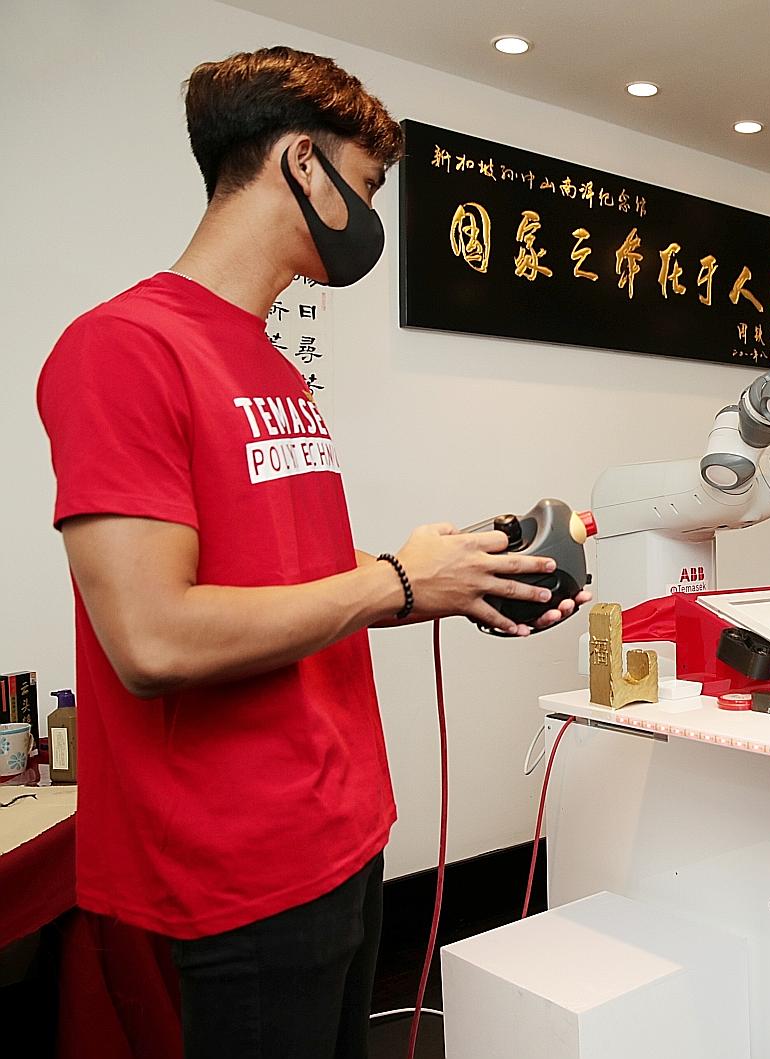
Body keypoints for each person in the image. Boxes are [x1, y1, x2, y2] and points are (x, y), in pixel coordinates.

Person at [35, 47, 589, 1059]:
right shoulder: (122, 348)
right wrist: (395, 581)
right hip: (230, 872)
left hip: (342, 832)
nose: (372, 215)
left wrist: (444, 580)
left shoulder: (271, 361)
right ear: (301, 163)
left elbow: (297, 587)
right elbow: (153, 640)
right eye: (367, 185)